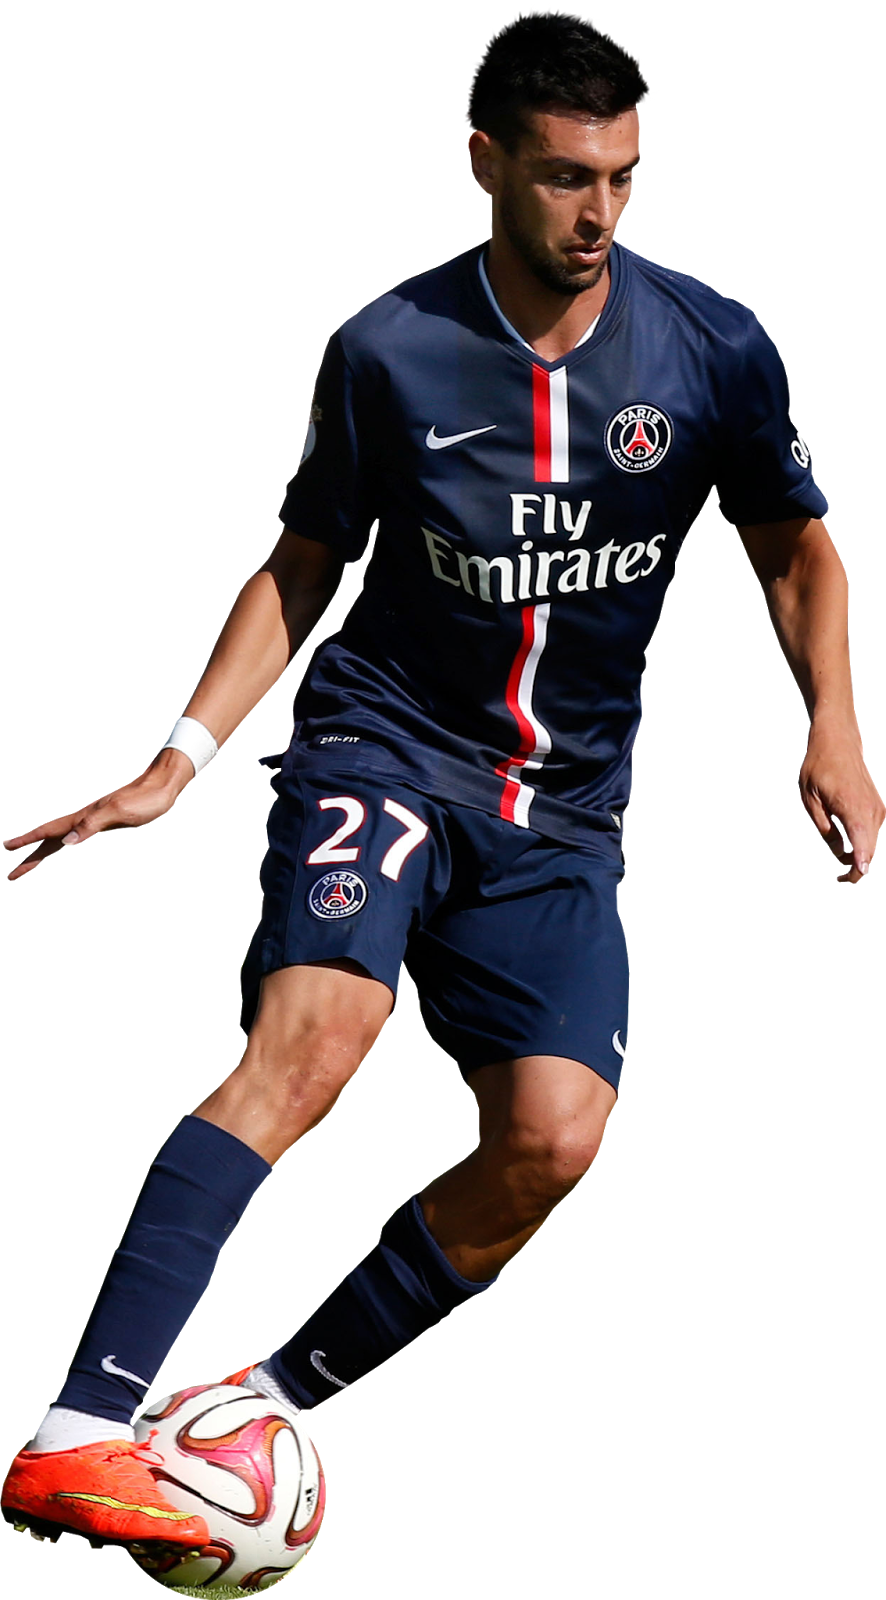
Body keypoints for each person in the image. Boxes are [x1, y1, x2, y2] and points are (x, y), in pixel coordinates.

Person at [3, 7, 880, 1576]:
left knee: (553, 1141)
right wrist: (175, 763)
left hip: (568, 813)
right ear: (485, 163)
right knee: (314, 1043)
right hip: (388, 745)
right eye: (561, 177)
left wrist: (836, 730)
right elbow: (301, 567)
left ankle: (255, 1412)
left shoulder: (710, 346)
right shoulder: (389, 347)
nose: (596, 212)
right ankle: (76, 1428)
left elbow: (794, 550)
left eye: (618, 176)